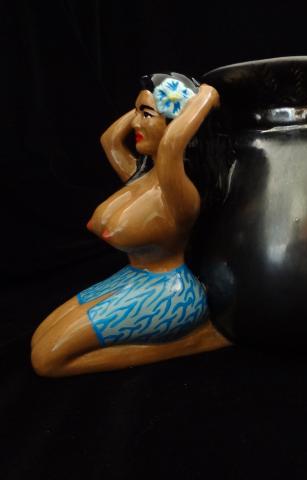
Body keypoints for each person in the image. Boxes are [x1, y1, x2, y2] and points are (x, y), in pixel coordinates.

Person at [31, 73, 231, 377]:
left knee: (47, 359)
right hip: (135, 277)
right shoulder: (139, 176)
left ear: (175, 124)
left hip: (168, 290)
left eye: (146, 115)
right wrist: (148, 101)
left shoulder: (178, 193)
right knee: (40, 336)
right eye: (136, 113)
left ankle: (195, 342)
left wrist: (204, 97)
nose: (136, 123)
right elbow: (109, 140)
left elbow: (172, 147)